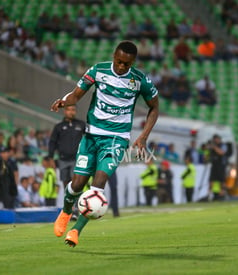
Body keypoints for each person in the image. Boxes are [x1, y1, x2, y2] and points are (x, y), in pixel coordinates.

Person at [50, 40, 159, 247]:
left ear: (132, 62)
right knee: (77, 184)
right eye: (118, 61)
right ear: (114, 57)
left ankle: (75, 230)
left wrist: (143, 135)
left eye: (126, 64)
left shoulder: (140, 80)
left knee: (98, 185)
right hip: (91, 136)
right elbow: (76, 95)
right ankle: (65, 212)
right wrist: (64, 101)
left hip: (117, 139)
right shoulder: (98, 71)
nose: (121, 67)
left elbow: (155, 107)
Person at [48, 105, 86, 189]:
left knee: (75, 182)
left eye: (73, 110)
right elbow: (52, 142)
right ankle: (68, 200)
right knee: (65, 182)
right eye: (69, 110)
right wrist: (51, 157)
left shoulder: (81, 124)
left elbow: (89, 137)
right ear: (65, 111)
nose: (71, 112)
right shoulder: (59, 126)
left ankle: (76, 201)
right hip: (63, 159)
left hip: (76, 159)